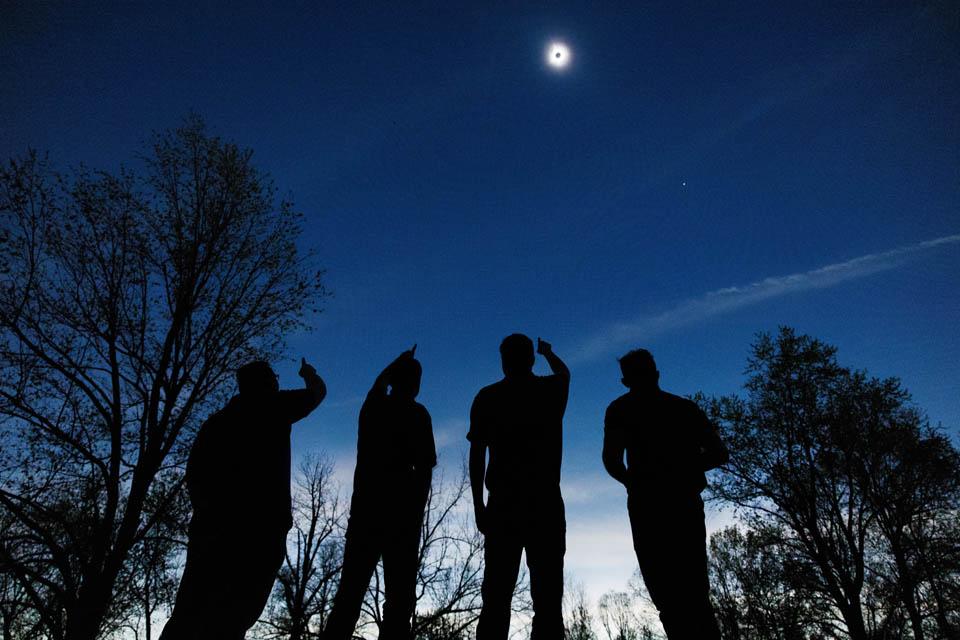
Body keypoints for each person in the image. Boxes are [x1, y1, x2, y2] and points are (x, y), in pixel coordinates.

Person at [160, 358, 327, 640]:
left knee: (191, 610)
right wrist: (309, 373)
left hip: (212, 532)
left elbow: (195, 475)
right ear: (267, 383)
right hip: (259, 532)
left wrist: (207, 513)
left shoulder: (216, 424)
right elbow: (317, 393)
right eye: (273, 377)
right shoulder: (273, 407)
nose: (276, 381)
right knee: (236, 614)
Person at [602, 348, 728, 640]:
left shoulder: (621, 409)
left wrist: (635, 480)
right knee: (692, 594)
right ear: (656, 374)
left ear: (625, 381)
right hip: (676, 504)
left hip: (654, 506)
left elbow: (611, 461)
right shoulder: (683, 409)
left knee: (671, 596)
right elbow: (719, 453)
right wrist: (683, 469)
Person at [324, 346, 436, 640]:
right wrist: (417, 513)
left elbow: (378, 384)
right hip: (399, 520)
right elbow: (425, 470)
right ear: (413, 383)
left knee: (349, 599)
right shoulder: (417, 414)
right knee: (397, 606)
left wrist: (397, 362)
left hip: (366, 515)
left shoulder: (374, 407)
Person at [468, 334, 570, 640]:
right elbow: (564, 374)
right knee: (544, 599)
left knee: (499, 597)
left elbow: (477, 455)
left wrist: (479, 505)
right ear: (531, 358)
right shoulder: (549, 390)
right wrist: (550, 353)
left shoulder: (488, 397)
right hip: (541, 503)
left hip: (507, 505)